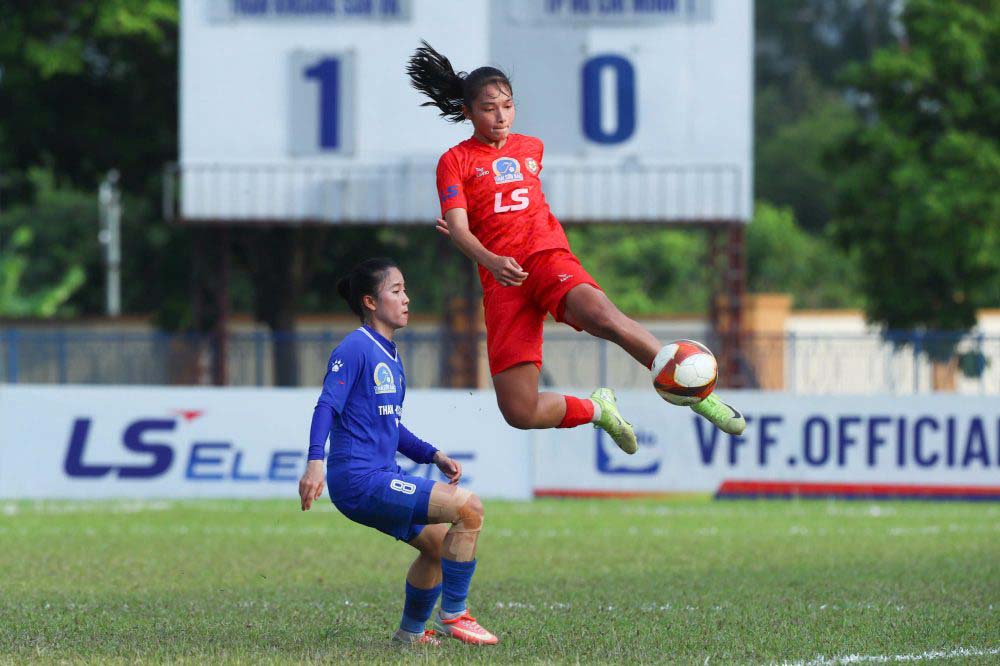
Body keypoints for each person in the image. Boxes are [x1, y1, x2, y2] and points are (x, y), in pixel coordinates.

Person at [406, 42, 746, 454]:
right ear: (468, 113)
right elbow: (458, 229)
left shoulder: (531, 148)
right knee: (520, 411)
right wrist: (492, 261)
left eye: (508, 106)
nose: (501, 116)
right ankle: (599, 410)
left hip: (546, 256)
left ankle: (698, 393)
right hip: (503, 282)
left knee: (606, 319)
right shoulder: (454, 161)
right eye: (489, 108)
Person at [298, 257, 498, 647]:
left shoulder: (389, 354)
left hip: (380, 475)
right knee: (469, 508)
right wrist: (314, 463)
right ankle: (454, 614)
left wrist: (433, 454)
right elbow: (327, 405)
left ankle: (409, 634)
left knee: (440, 546)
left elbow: (389, 425)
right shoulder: (355, 347)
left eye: (405, 290)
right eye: (396, 290)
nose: (406, 298)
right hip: (360, 479)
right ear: (371, 302)